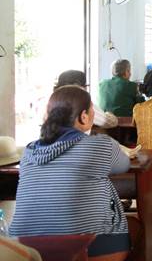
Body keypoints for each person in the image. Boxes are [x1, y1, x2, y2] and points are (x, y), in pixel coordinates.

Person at [9, 86, 131, 260]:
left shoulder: (29, 151)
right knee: (135, 228)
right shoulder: (100, 145)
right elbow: (124, 165)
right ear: (83, 116)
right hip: (86, 247)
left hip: (24, 249)